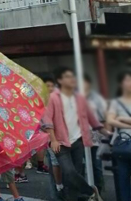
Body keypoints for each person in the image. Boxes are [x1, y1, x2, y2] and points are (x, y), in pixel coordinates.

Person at [42, 66, 101, 201]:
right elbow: (47, 119)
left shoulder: (78, 98)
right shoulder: (53, 97)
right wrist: (54, 140)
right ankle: (91, 191)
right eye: (68, 76)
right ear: (60, 80)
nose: (72, 79)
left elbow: (89, 117)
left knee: (76, 174)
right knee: (69, 172)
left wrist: (101, 129)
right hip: (61, 142)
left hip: (78, 141)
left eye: (72, 76)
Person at [84, 74, 110, 195]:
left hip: (95, 138)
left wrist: (107, 135)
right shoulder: (73, 97)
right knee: (82, 167)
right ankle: (87, 193)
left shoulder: (96, 99)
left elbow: (104, 118)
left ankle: (99, 192)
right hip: (79, 138)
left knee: (96, 166)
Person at [107, 71, 131, 201]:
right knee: (122, 179)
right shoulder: (116, 102)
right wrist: (128, 126)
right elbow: (110, 120)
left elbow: (114, 119)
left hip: (123, 143)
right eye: (127, 80)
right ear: (121, 84)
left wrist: (121, 118)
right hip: (123, 145)